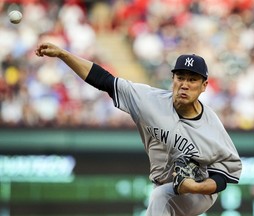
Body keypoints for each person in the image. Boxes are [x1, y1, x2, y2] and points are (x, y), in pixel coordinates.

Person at [35, 42, 242, 216]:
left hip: (199, 191)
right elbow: (104, 80)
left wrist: (194, 187)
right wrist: (63, 54)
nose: (185, 84)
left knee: (161, 196)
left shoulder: (211, 126)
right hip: (163, 183)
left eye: (192, 79)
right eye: (180, 77)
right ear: (173, 79)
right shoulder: (149, 101)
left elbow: (222, 177)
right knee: (161, 194)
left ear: (204, 85)